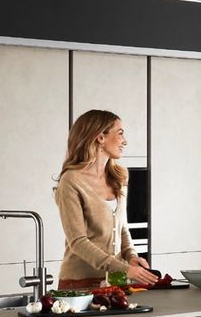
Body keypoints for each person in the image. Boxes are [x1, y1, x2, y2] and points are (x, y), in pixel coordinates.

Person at [54, 109, 159, 289]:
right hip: (79, 283)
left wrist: (131, 257)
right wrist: (123, 268)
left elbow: (122, 227)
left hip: (115, 281)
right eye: (120, 134)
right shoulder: (71, 181)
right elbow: (78, 241)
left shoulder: (119, 176)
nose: (124, 141)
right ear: (100, 137)